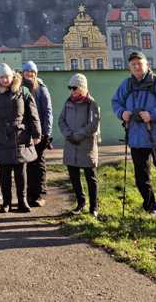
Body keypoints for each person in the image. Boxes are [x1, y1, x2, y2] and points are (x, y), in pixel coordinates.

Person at [112, 51, 156, 227]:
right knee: (141, 179)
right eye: (133, 64)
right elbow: (116, 102)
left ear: (147, 65)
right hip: (136, 139)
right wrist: (122, 113)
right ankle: (152, 208)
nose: (136, 66)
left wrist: (152, 115)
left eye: (139, 63)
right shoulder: (126, 85)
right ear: (129, 67)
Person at [0, 64, 41, 213]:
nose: (5, 80)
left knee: (20, 173)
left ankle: (22, 201)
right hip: (1, 138)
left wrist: (37, 134)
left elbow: (33, 114)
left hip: (20, 137)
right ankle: (6, 203)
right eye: (2, 77)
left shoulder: (23, 91)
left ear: (12, 76)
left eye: (7, 77)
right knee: (4, 173)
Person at [59, 73, 101, 217]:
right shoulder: (68, 102)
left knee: (91, 177)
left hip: (86, 146)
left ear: (82, 87)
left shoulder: (92, 103)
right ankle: (80, 203)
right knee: (74, 177)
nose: (72, 91)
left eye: (75, 88)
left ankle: (94, 207)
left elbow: (93, 125)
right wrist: (68, 134)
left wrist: (78, 135)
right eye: (70, 88)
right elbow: (61, 121)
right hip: (71, 146)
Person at [21, 61, 53, 208]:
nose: (29, 74)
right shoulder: (19, 88)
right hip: (24, 133)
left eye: (32, 72)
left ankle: (39, 194)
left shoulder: (41, 88)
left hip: (39, 134)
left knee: (38, 164)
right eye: (27, 71)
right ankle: (29, 195)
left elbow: (48, 112)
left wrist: (46, 133)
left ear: (36, 73)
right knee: (27, 165)